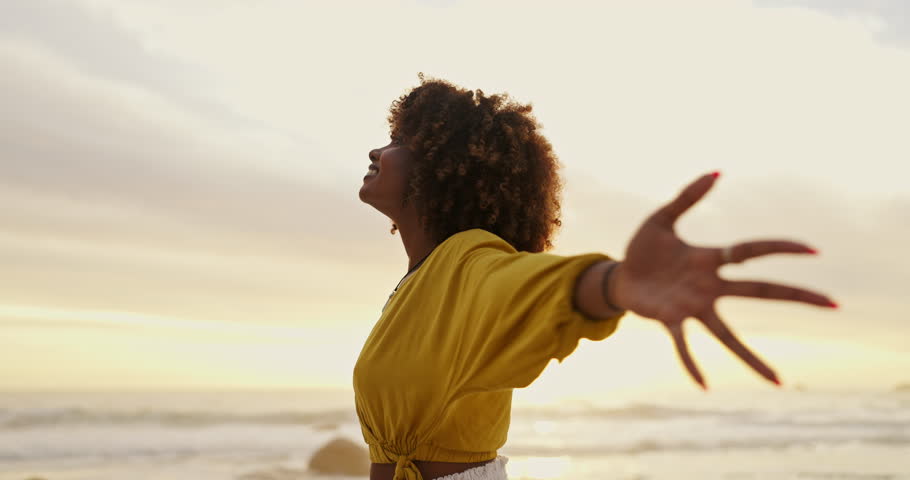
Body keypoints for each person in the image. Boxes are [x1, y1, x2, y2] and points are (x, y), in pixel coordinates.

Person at [353, 75, 837, 480]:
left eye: (401, 142)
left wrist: (614, 283)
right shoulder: (422, 280)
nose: (378, 149)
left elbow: (524, 288)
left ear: (442, 167)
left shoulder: (469, 262)